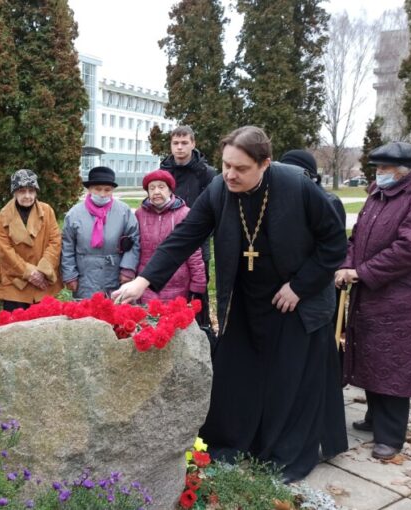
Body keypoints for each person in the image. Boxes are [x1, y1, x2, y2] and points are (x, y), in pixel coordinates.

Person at [113, 126, 348, 482]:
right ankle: (236, 442)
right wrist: (144, 280)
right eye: (225, 165)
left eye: (240, 168)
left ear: (265, 164)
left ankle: (283, 454)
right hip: (246, 298)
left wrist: (299, 286)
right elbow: (185, 235)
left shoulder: (296, 186)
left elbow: (334, 243)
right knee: (238, 376)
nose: (229, 174)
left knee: (287, 381)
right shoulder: (220, 189)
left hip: (296, 300)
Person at [335, 141, 411, 461]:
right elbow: (357, 237)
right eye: (377, 168)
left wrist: (362, 272)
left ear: (405, 171)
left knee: (396, 362)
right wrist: (347, 264)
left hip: (408, 296)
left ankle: (391, 436)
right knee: (372, 353)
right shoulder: (378, 194)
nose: (379, 174)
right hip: (374, 291)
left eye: (385, 169)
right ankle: (374, 418)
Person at [280, 149, 348, 459]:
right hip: (289, 301)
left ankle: (325, 442)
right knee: (295, 375)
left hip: (313, 302)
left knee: (318, 375)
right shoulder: (283, 201)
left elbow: (329, 253)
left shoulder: (327, 202)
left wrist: (299, 287)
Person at [160, 126, 217, 327]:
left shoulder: (207, 174)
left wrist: (202, 236)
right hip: (169, 241)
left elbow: (214, 208)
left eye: (184, 143)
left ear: (193, 144)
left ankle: (202, 331)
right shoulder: (163, 172)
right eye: (175, 143)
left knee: (197, 292)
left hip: (198, 243)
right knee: (168, 290)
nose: (180, 147)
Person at [61, 166, 140, 300]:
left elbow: (134, 241)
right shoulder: (74, 214)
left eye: (107, 190)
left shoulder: (123, 212)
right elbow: (67, 247)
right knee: (86, 316)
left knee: (114, 315)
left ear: (112, 191)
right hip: (85, 276)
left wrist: (127, 269)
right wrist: (70, 275)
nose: (102, 194)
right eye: (97, 189)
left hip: (115, 275)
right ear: (89, 189)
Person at [0, 169, 63, 311]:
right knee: (15, 328)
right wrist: (30, 273)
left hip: (43, 282)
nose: (27, 196)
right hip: (15, 284)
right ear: (14, 192)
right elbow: (5, 252)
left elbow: (55, 241)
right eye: (22, 191)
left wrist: (42, 271)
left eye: (31, 191)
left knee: (45, 326)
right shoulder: (2, 217)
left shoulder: (47, 210)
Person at [135, 169, 206, 304]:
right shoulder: (139, 215)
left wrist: (198, 283)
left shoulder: (185, 214)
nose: (156, 192)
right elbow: (135, 249)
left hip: (177, 283)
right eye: (152, 188)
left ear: (170, 190)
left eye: (161, 187)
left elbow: (193, 252)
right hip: (146, 283)